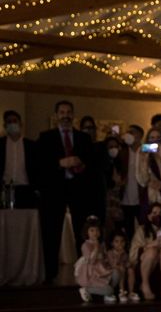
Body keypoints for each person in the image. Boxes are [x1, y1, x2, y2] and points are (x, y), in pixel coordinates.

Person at [37, 100, 95, 281]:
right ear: (56, 115)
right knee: (51, 233)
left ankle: (83, 273)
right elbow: (39, 165)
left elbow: (91, 164)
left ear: (73, 115)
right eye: (62, 112)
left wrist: (81, 164)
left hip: (79, 191)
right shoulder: (45, 137)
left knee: (82, 232)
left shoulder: (84, 138)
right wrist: (59, 163)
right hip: (54, 192)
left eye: (69, 112)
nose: (65, 116)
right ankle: (50, 275)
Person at [129, 202, 161, 300]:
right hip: (148, 260)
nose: (158, 215)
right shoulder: (141, 230)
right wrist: (150, 245)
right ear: (149, 216)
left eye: (160, 213)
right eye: (154, 213)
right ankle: (145, 285)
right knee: (152, 251)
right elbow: (133, 252)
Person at [74, 216, 118, 303]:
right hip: (92, 273)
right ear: (87, 232)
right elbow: (92, 261)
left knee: (116, 273)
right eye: (92, 230)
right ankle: (87, 289)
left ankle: (106, 294)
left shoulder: (102, 244)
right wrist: (96, 247)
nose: (95, 233)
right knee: (110, 290)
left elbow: (105, 258)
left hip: (102, 270)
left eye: (97, 230)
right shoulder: (85, 245)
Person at [1, 110, 39, 208]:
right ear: (5, 126)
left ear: (21, 124)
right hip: (4, 190)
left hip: (26, 190)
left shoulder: (32, 145)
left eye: (15, 121)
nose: (12, 124)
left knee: (25, 220)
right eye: (9, 122)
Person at [136, 127, 161, 220]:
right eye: (152, 138)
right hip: (150, 192)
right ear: (148, 139)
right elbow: (142, 178)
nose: (155, 140)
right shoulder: (143, 152)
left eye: (158, 137)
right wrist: (145, 160)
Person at [120, 124, 144, 241]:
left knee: (143, 227)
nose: (129, 134)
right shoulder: (122, 151)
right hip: (125, 197)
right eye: (128, 132)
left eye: (132, 132)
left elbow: (160, 149)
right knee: (128, 229)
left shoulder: (146, 148)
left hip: (142, 196)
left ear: (140, 135)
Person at [106, 230, 139, 303]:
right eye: (116, 241)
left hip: (123, 272)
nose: (120, 244)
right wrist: (119, 255)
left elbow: (126, 262)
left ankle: (131, 292)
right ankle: (122, 291)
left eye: (122, 241)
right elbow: (113, 264)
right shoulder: (110, 253)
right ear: (112, 243)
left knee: (130, 270)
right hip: (113, 272)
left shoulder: (125, 253)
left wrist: (129, 264)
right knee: (121, 268)